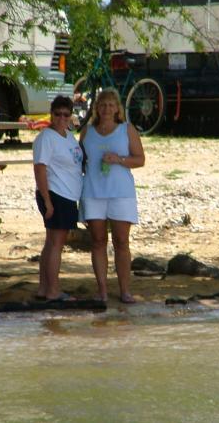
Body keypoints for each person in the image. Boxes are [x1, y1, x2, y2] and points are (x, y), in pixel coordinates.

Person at [79, 88, 145, 303]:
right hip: (93, 191)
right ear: (96, 108)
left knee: (121, 241)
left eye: (111, 105)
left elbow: (140, 159)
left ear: (117, 108)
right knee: (97, 241)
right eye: (103, 105)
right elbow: (79, 161)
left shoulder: (127, 129)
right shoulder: (87, 132)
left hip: (121, 192)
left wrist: (119, 159)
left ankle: (125, 290)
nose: (107, 109)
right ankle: (102, 291)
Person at [33, 95, 83, 301]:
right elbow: (40, 168)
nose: (62, 117)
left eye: (66, 114)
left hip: (68, 195)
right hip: (55, 194)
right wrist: (47, 200)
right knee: (56, 244)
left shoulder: (68, 135)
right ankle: (53, 290)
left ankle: (44, 288)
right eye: (58, 114)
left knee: (51, 242)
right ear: (51, 114)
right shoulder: (46, 137)